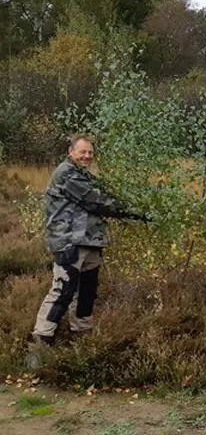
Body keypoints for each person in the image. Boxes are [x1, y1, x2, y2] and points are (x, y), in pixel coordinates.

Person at [30, 134, 149, 347]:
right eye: (82, 152)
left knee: (87, 290)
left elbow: (107, 193)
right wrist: (135, 212)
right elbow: (96, 202)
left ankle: (81, 334)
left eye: (90, 153)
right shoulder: (67, 174)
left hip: (91, 241)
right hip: (68, 241)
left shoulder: (83, 174)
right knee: (63, 289)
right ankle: (41, 339)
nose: (87, 156)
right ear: (71, 151)